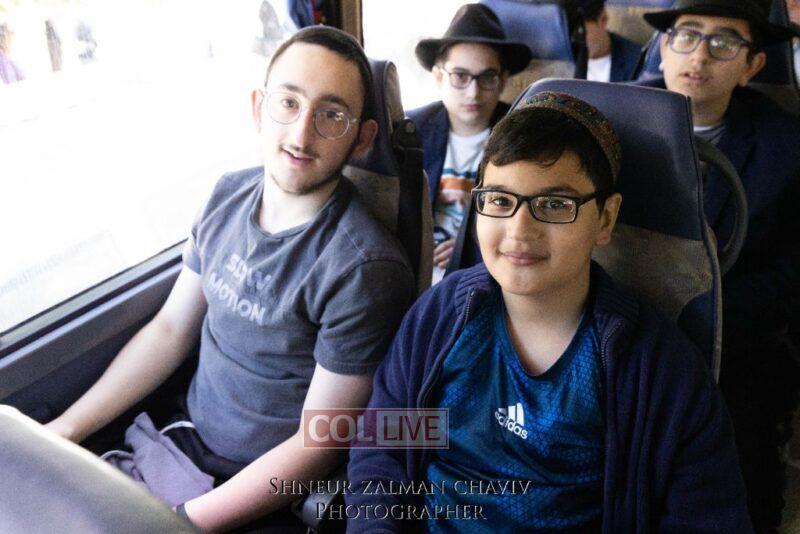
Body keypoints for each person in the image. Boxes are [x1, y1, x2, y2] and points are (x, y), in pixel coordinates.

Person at [45, 26, 416, 532]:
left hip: (262, 486)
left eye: (331, 115)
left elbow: (319, 442)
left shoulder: (363, 269)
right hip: (181, 437)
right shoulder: (227, 197)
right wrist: (66, 429)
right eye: (288, 103)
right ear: (259, 108)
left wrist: (182, 522)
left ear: (362, 139)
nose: (301, 134)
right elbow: (170, 330)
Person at [346, 92, 751, 533]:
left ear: (605, 219)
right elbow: (381, 454)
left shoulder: (657, 368)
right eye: (500, 200)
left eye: (555, 205)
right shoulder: (440, 317)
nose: (520, 231)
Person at [642, 0, 800, 530]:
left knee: (739, 486)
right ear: (663, 49)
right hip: (614, 330)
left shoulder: (786, 147)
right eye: (687, 36)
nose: (700, 56)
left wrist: (700, 317)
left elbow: (789, 279)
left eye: (724, 42)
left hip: (735, 346)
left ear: (753, 65)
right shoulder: (606, 120)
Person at [407, 3, 531, 282]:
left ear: (503, 80)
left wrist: (470, 245)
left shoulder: (522, 136)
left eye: (487, 77)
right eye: (460, 76)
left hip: (485, 272)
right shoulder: (411, 131)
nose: (473, 92)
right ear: (439, 77)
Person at [566, 0, 642, 82]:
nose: (572, 42)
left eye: (580, 33)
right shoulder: (563, 60)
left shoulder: (636, 60)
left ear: (603, 19)